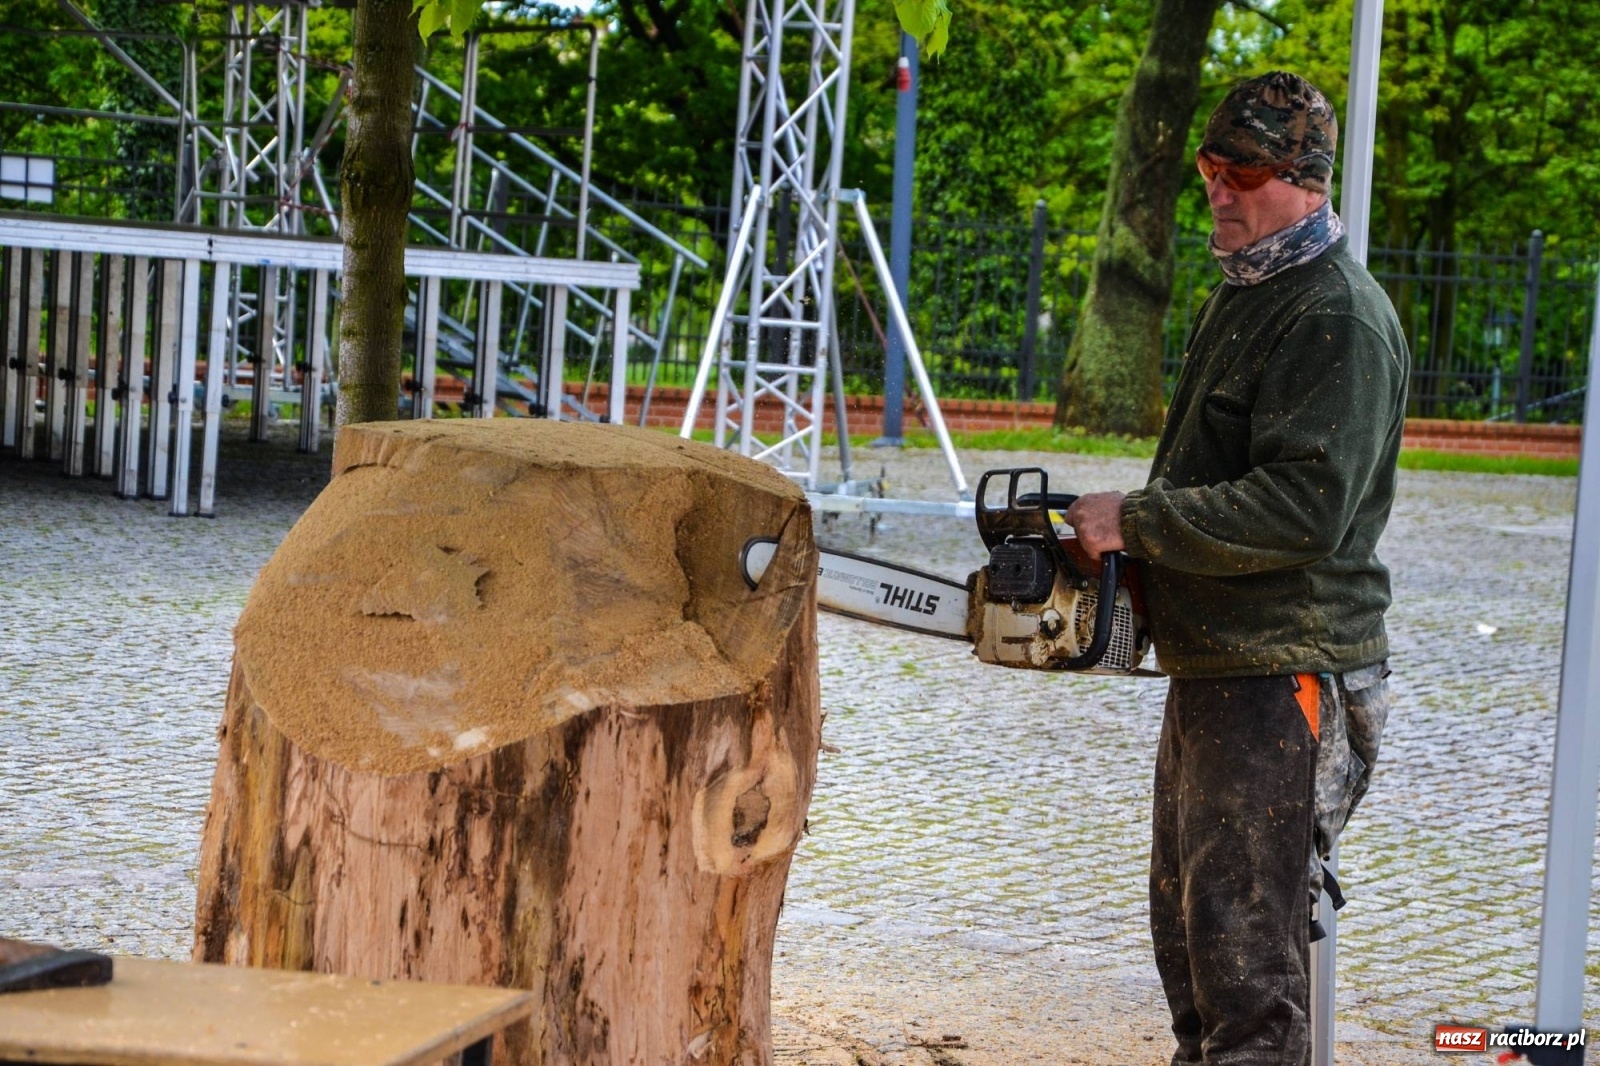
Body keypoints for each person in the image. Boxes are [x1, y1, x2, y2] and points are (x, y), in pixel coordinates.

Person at [1064, 72, 1406, 1066]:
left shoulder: (1331, 313)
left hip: (1283, 676)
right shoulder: (1247, 289)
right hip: (1222, 670)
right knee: (1195, 955)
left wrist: (1136, 520)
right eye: (1211, 166)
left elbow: (1304, 505)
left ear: (1301, 177)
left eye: (1243, 168)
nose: (1218, 186)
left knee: (1246, 982)